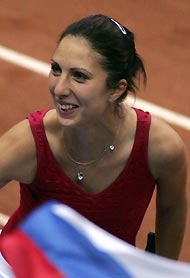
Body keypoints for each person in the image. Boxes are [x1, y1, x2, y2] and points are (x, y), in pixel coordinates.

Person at [0, 14, 187, 272]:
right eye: (56, 69)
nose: (59, 88)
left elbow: (172, 208)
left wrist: (161, 271)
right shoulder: (30, 143)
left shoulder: (160, 149)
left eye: (79, 76)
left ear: (117, 90)